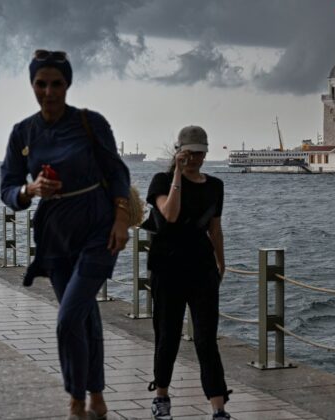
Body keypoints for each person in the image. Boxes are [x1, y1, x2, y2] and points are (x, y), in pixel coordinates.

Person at [0, 50, 131, 420]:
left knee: (68, 317)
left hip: (97, 226)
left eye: (56, 83)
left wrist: (121, 219)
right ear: (32, 85)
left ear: (68, 84)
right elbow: (8, 187)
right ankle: (96, 393)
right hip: (54, 233)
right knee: (84, 315)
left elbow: (117, 172)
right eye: (41, 84)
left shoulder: (91, 123)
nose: (49, 91)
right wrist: (30, 190)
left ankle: (76, 399)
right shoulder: (22, 132)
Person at [142, 126, 230, 420]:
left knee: (207, 339)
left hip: (202, 268)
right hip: (167, 269)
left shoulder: (215, 185)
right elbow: (170, 214)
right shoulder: (161, 181)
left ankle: (218, 408)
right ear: (178, 151)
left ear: (207, 151)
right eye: (189, 152)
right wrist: (178, 175)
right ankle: (162, 397)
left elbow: (215, 227)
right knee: (167, 335)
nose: (194, 158)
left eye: (200, 152)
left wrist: (221, 261)